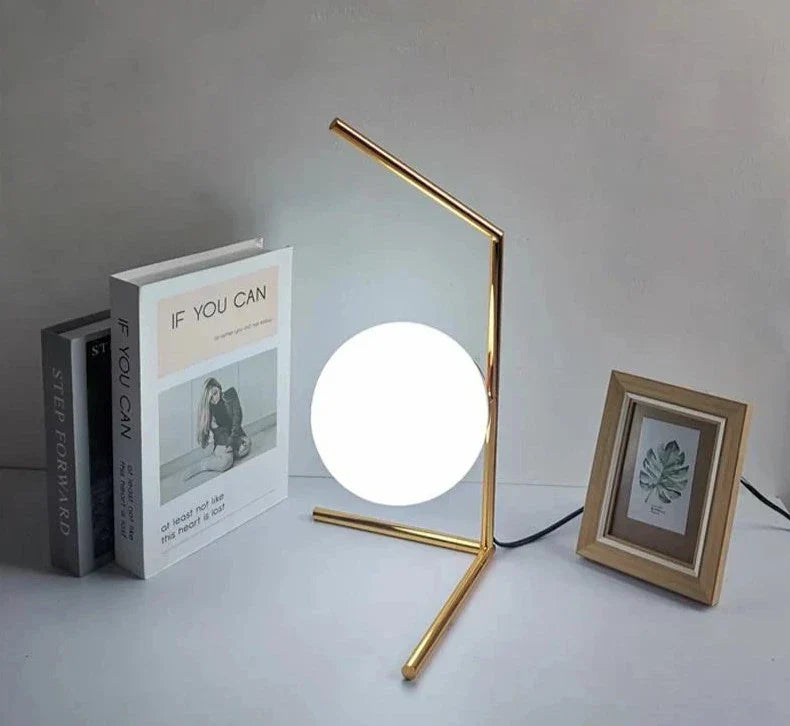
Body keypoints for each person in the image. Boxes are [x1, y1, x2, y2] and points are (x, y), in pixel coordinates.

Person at [183, 377, 251, 480]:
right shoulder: (210, 411)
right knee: (226, 463)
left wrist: (233, 442)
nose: (214, 399)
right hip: (222, 441)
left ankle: (231, 452)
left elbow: (237, 421)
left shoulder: (230, 395)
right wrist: (230, 444)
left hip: (235, 436)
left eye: (215, 393)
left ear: (219, 387)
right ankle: (203, 465)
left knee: (247, 445)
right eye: (210, 398)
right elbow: (221, 435)